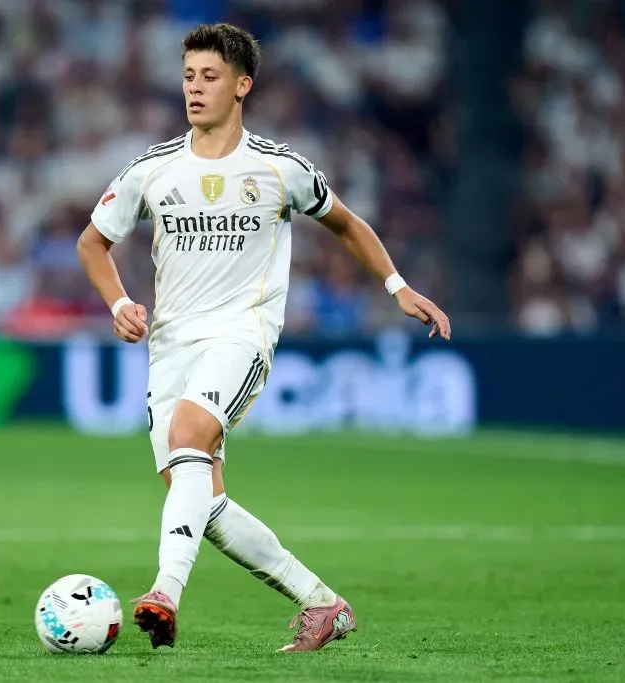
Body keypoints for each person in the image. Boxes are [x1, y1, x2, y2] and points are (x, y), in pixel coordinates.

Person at [76, 22, 452, 652]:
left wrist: (397, 287)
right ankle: (322, 602)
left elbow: (347, 223)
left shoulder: (281, 169)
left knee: (189, 437)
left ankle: (165, 592)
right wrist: (117, 302)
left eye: (210, 77)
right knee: (200, 501)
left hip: (241, 335)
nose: (194, 89)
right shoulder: (152, 170)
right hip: (170, 344)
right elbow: (92, 242)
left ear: (242, 86)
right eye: (189, 76)